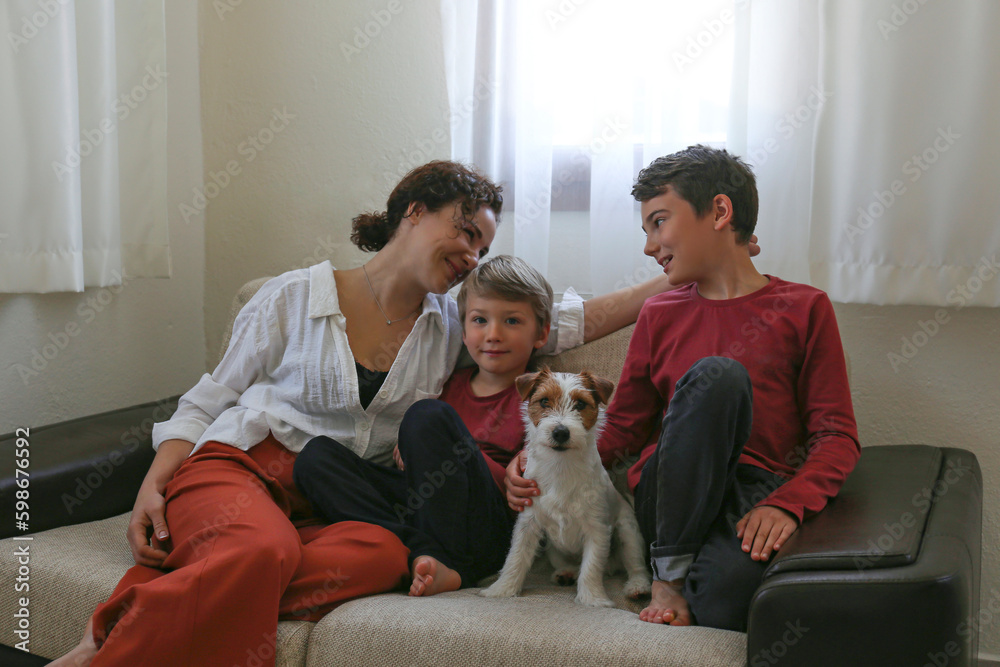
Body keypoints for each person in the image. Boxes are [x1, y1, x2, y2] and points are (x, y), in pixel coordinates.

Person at [51, 160, 677, 667]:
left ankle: (168, 594)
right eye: (464, 232)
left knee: (381, 557)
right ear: (414, 211)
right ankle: (112, 648)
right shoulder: (294, 295)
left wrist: (679, 270)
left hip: (329, 502)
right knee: (261, 553)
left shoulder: (454, 323)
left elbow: (561, 321)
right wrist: (153, 481)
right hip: (243, 468)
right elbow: (211, 394)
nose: (470, 255)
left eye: (481, 245)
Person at [504, 145, 860, 632]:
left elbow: (836, 436)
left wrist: (787, 503)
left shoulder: (805, 308)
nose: (649, 246)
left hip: (754, 495)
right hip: (669, 494)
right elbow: (621, 427)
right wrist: (537, 459)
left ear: (719, 211)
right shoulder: (660, 312)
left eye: (658, 222)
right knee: (718, 373)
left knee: (725, 606)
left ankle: (688, 574)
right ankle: (668, 573)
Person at [293, 254, 553, 594]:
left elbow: (544, 477)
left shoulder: (542, 398)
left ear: (541, 333)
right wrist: (414, 442)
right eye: (479, 320)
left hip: (490, 525)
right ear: (462, 329)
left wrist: (432, 434)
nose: (493, 334)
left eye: (512, 322)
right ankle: (418, 549)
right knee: (316, 457)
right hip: (423, 509)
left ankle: (455, 565)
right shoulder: (446, 380)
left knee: (427, 416)